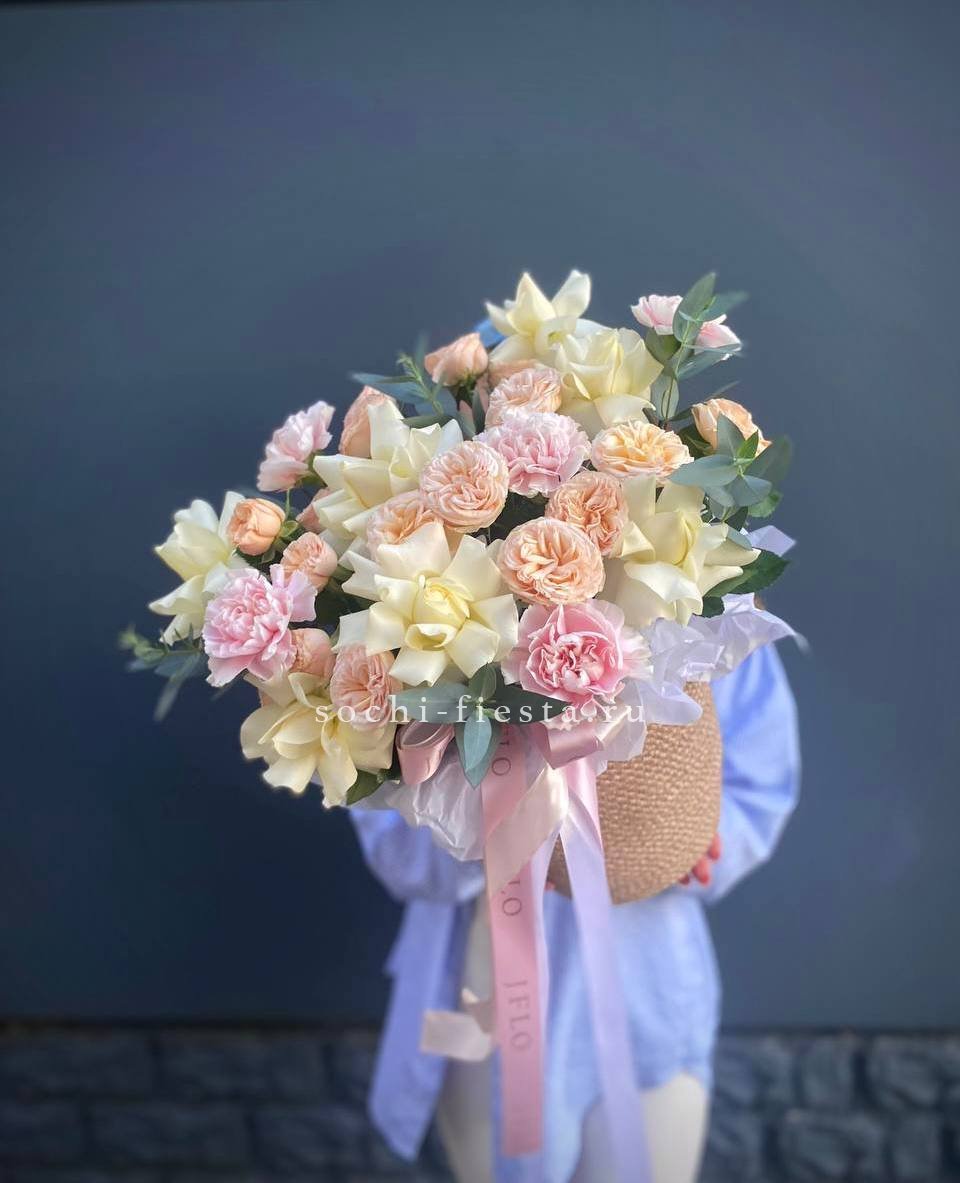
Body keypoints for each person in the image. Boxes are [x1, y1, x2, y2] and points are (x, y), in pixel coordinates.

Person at [352, 643, 799, 1183]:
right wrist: (490, 835)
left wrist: (687, 842)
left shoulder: (715, 617)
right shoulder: (404, 638)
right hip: (479, 983)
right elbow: (391, 840)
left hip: (646, 986)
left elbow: (759, 787)